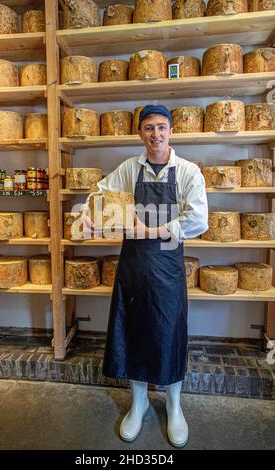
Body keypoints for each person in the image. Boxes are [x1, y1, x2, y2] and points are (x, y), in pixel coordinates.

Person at [79, 105, 208, 448]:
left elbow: (198, 221)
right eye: (149, 128)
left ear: (171, 131)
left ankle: (174, 406)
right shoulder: (128, 169)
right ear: (140, 134)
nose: (156, 134)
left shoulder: (188, 172)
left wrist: (149, 229)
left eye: (161, 127)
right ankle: (137, 405)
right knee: (134, 333)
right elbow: (99, 192)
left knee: (169, 334)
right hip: (133, 267)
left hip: (167, 269)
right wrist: (93, 214)